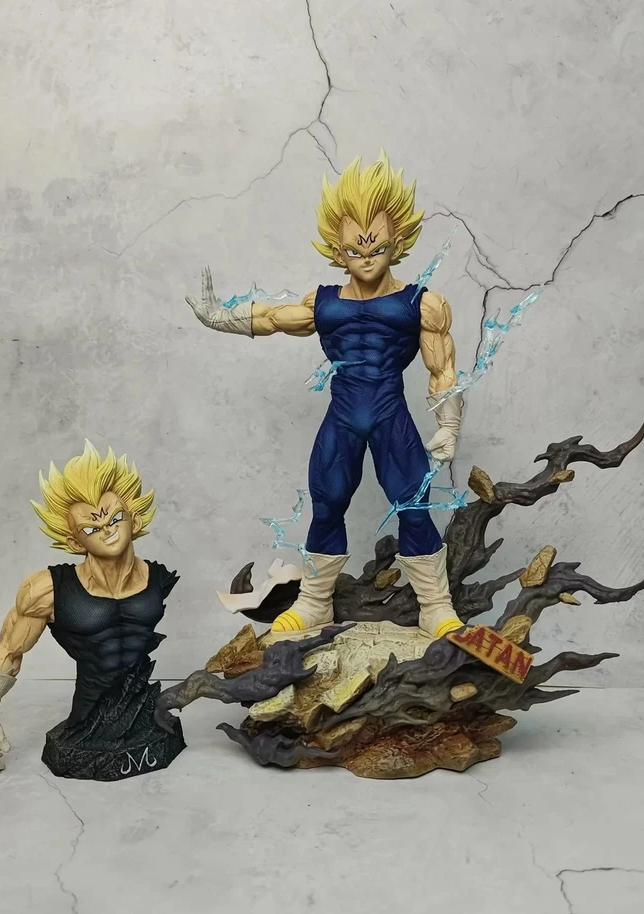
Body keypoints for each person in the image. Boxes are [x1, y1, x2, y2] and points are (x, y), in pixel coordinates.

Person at [186, 151, 463, 639]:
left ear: (397, 241)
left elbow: (441, 368)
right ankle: (315, 603)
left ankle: (435, 606)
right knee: (327, 502)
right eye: (355, 250)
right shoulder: (325, 303)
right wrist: (219, 317)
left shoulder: (423, 303)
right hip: (343, 415)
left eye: (376, 247)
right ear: (338, 249)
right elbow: (272, 318)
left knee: (413, 503)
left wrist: (449, 424)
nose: (366, 257)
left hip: (390, 414)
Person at [0, 441, 184, 779]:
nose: (107, 530)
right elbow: (9, 648)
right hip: (87, 719)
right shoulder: (47, 589)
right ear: (74, 542)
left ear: (135, 519)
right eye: (91, 528)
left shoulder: (158, 578)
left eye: (115, 518)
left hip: (144, 711)